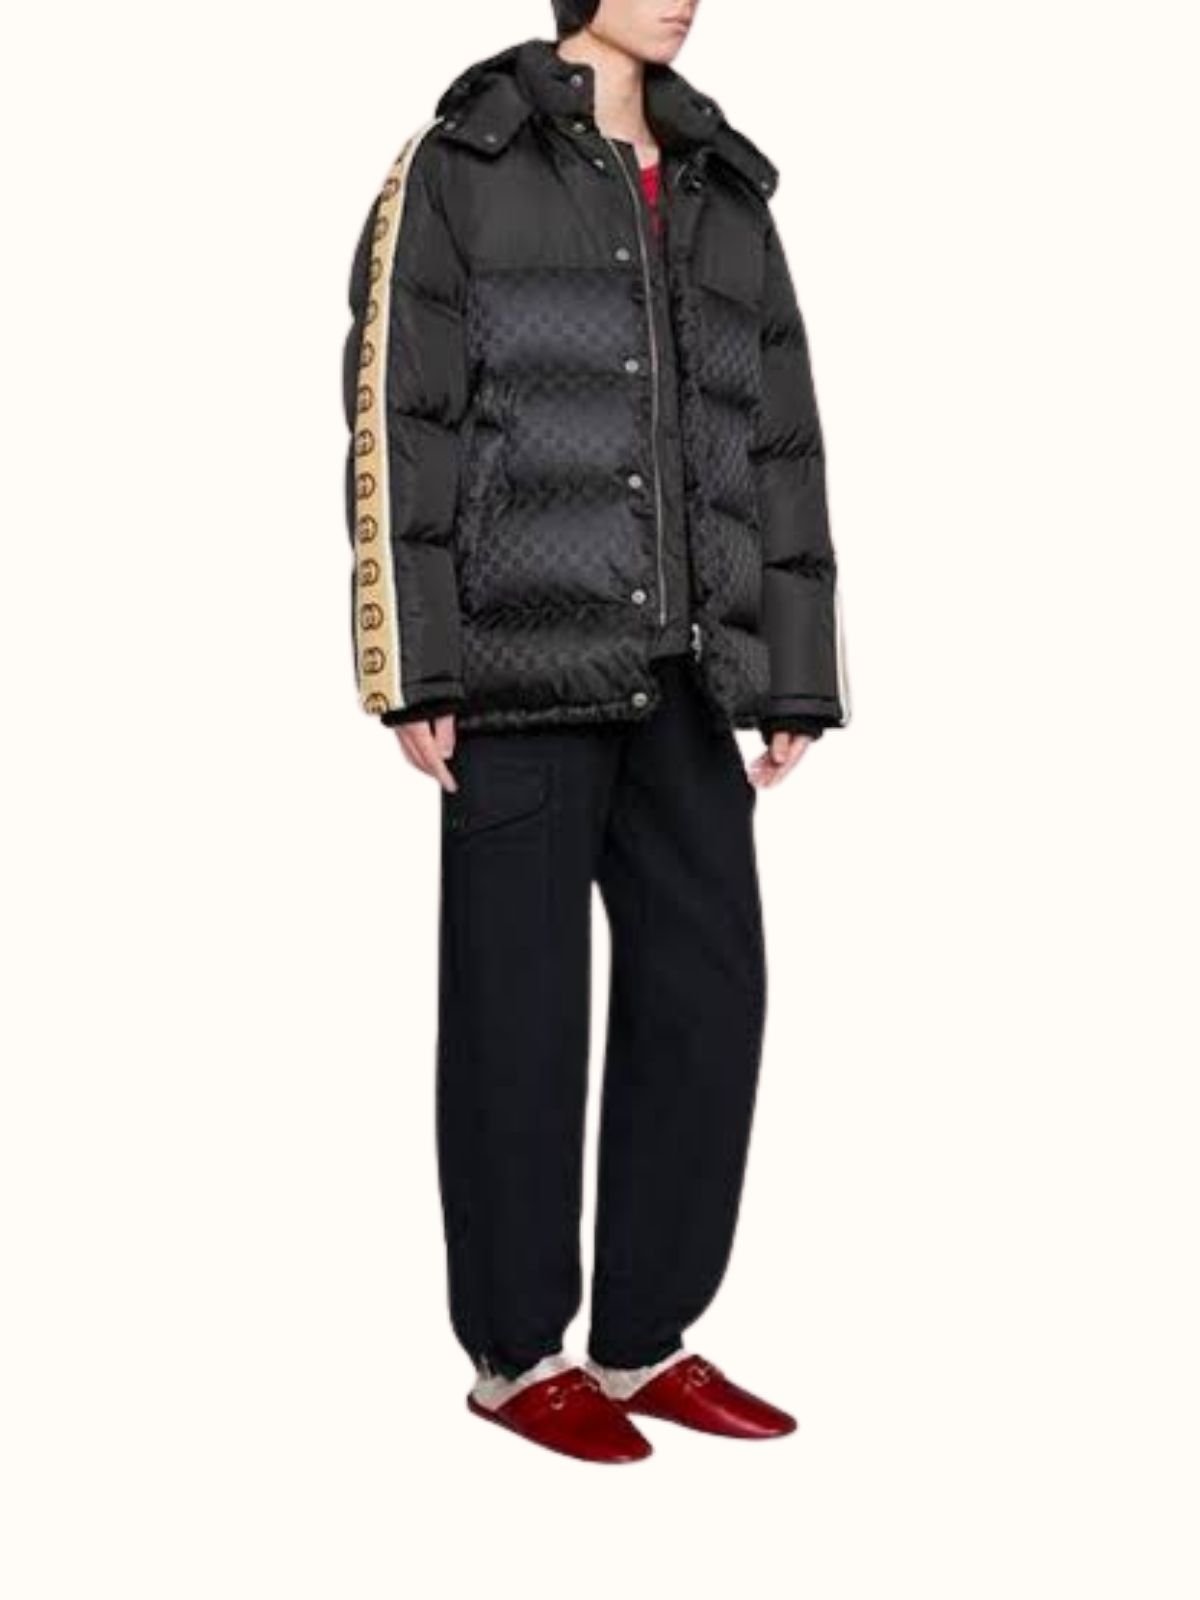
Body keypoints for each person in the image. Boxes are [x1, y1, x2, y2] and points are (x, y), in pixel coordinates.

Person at [341, 0, 850, 1464]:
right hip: (518, 669)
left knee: (709, 997)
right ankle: (516, 1360)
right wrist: (412, 663)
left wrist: (793, 670)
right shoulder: (464, 160)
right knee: (518, 1017)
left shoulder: (726, 186)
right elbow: (398, 417)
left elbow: (781, 439)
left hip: (686, 676)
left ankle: (642, 1341)